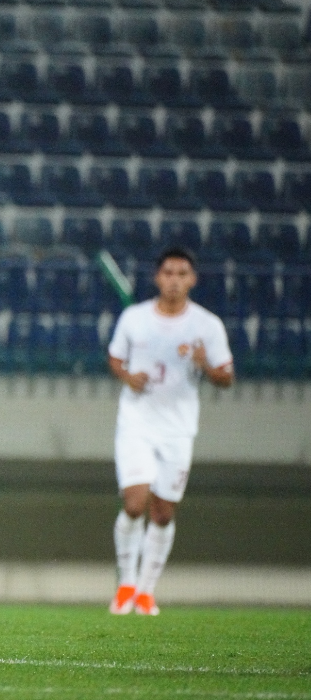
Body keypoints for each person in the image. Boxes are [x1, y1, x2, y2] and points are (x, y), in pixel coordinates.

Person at [106, 246, 234, 616]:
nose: (174, 280)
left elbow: (226, 377)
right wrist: (128, 376)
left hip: (178, 429)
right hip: (137, 423)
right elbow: (115, 357)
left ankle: (146, 591)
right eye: (168, 273)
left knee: (162, 512)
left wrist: (205, 365)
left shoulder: (206, 326)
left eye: (182, 274)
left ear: (192, 279)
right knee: (134, 503)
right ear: (157, 277)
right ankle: (126, 583)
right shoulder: (134, 318)